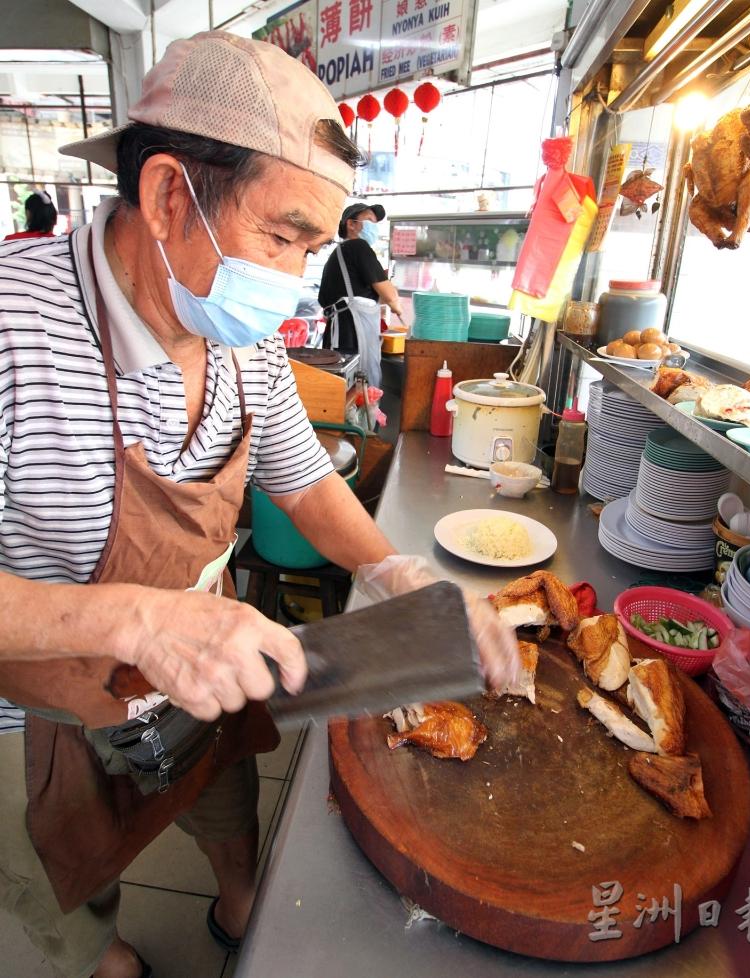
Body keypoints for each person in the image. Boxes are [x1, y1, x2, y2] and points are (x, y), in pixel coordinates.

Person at [0, 31, 518, 978]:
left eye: (316, 246)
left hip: (197, 670)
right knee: (56, 868)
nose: (295, 277)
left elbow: (304, 479)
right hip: (26, 698)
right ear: (166, 195)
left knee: (225, 810)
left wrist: (393, 572)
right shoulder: (12, 325)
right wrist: (136, 619)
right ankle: (102, 959)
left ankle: (241, 906)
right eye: (281, 236)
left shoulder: (237, 335)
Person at [318, 202, 405, 386]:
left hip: (338, 337)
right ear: (351, 224)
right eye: (369, 221)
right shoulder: (359, 247)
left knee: (344, 393)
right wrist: (397, 306)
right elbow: (390, 297)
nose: (374, 227)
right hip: (354, 336)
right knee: (362, 392)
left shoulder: (339, 254)